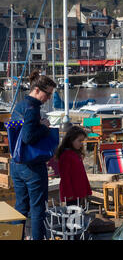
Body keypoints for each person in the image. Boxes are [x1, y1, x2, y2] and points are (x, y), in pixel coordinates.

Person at [10, 69, 56, 240]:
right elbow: (28, 137)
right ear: (37, 90)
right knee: (38, 209)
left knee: (21, 206)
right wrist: (44, 126)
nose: (49, 98)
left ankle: (15, 237)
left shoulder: (20, 105)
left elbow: (17, 134)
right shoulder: (32, 108)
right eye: (48, 94)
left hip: (17, 164)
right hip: (32, 167)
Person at [54, 126, 92, 206]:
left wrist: (87, 189)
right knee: (72, 215)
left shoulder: (75, 154)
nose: (82, 144)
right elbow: (64, 176)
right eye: (79, 141)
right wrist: (68, 193)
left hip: (79, 191)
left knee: (78, 215)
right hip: (71, 194)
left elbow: (82, 173)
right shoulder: (66, 155)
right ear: (71, 140)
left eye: (82, 141)